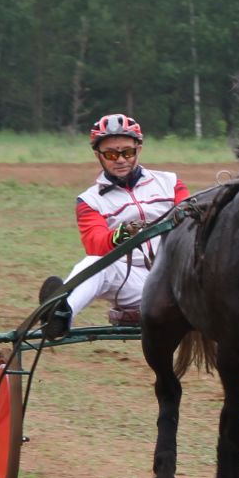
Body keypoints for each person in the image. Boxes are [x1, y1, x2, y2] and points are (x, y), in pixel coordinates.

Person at [38, 114, 188, 338]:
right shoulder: (89, 200)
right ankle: (59, 314)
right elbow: (95, 244)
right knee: (95, 262)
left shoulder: (170, 182)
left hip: (181, 277)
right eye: (111, 154)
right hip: (135, 284)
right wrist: (119, 235)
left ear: (139, 149)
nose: (120, 159)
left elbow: (190, 222)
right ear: (98, 155)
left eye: (127, 152)